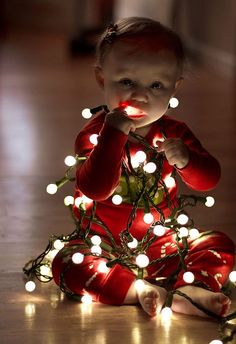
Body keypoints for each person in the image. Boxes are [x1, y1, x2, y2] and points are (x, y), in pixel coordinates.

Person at [52, 17, 235, 318]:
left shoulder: (176, 134)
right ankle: (135, 289)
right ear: (102, 79)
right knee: (67, 263)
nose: (140, 95)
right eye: (126, 82)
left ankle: (192, 290)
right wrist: (113, 135)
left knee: (219, 244)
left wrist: (188, 160)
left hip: (165, 248)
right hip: (103, 250)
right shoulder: (95, 135)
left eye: (156, 85)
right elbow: (95, 189)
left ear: (175, 88)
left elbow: (209, 179)